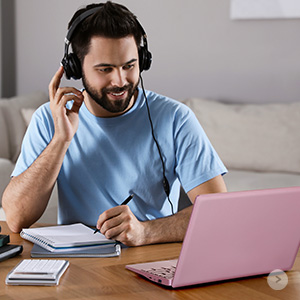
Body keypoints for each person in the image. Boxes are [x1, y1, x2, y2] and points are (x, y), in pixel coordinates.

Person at [2, 1, 227, 246]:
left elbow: (218, 213)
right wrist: (61, 140)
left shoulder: (176, 119)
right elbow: (16, 219)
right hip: (79, 266)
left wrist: (146, 232)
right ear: (76, 68)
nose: (120, 81)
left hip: (150, 259)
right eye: (105, 69)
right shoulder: (49, 119)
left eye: (129, 66)